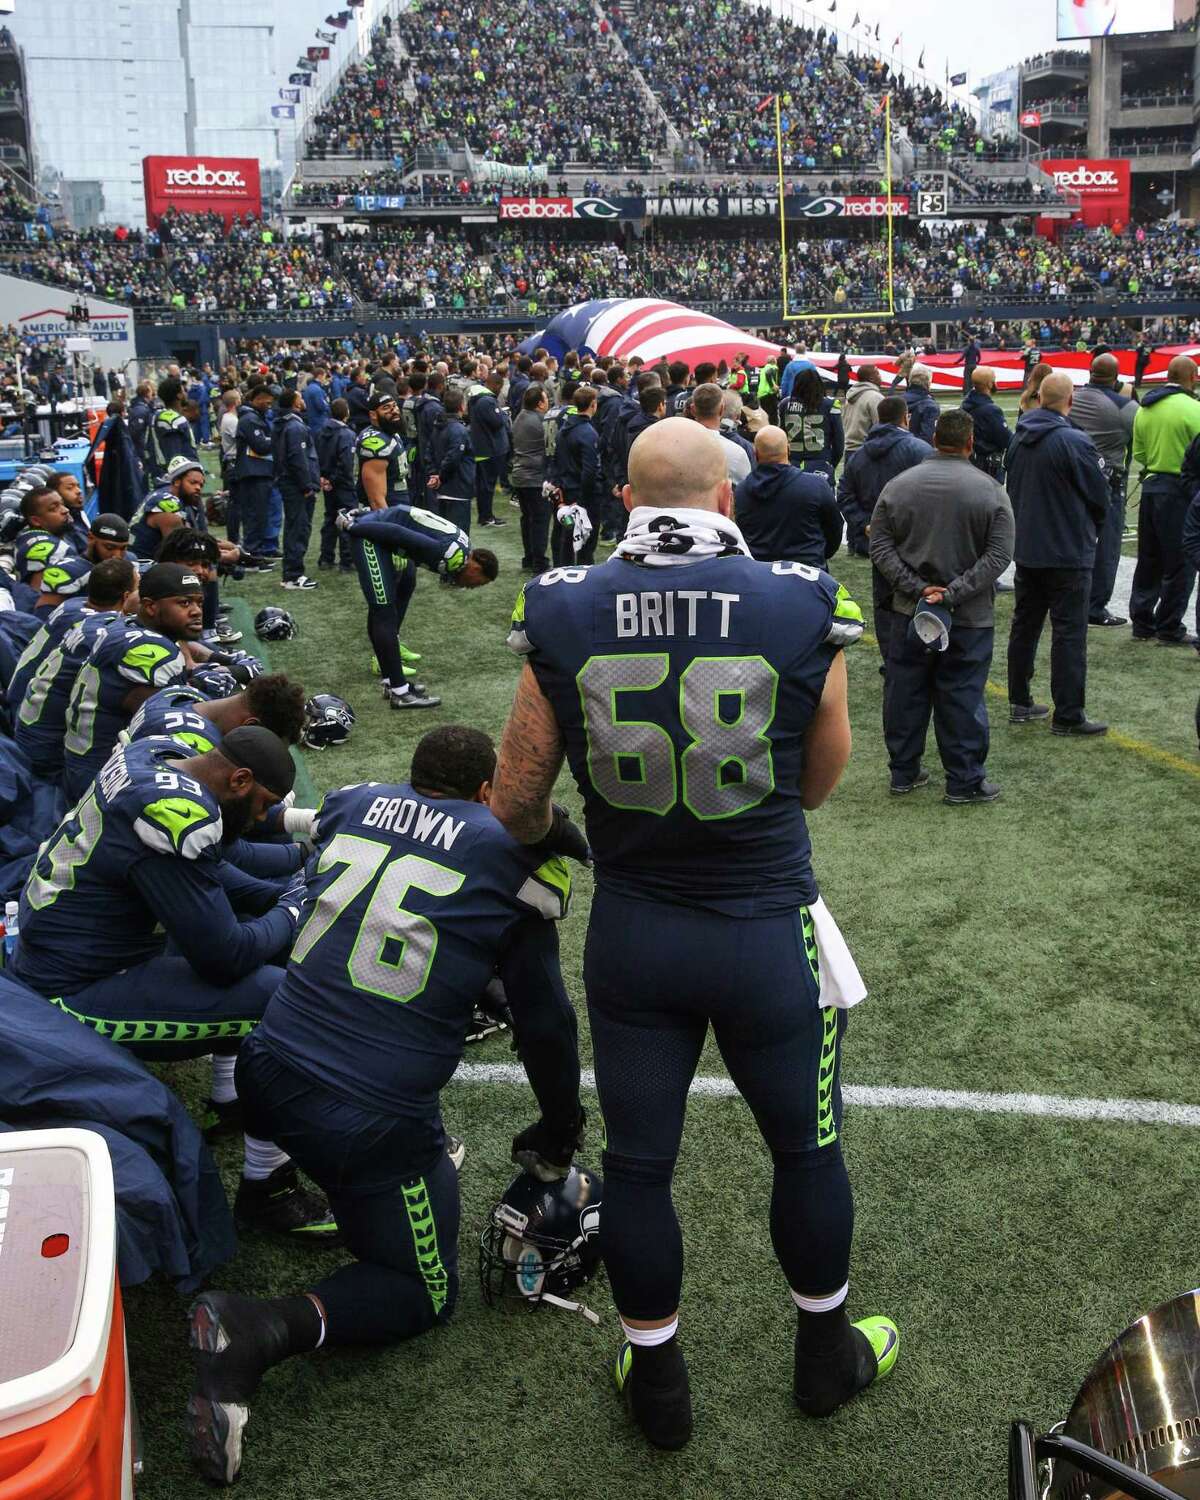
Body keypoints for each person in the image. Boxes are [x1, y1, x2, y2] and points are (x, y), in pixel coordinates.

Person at [491, 416, 895, 1453]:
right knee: (807, 1151)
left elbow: (517, 798)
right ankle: (823, 1359)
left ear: (627, 501)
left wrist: (576, 833)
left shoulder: (563, 603)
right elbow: (815, 782)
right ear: (726, 499)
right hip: (764, 928)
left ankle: (660, 1386)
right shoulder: (805, 602)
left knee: (638, 1168)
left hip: (634, 930)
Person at [184, 724, 587, 1487]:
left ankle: (267, 1184)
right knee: (421, 1291)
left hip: (264, 1071)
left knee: (354, 1112)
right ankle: (259, 1330)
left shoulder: (355, 802)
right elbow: (546, 1021)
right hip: (363, 1119)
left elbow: (282, 823)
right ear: (483, 793)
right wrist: (560, 1122)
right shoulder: (516, 856)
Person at [13, 726, 333, 1244]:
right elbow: (224, 957)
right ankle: (270, 1191)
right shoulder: (173, 813)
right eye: (262, 804)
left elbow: (213, 880)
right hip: (70, 993)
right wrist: (296, 905)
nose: (259, 819)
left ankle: (231, 1100)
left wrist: (288, 889)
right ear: (240, 779)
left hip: (69, 953)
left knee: (268, 944)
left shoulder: (156, 759)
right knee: (277, 998)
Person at [869, 410, 1015, 804]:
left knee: (904, 692)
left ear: (935, 439)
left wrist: (917, 589)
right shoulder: (990, 490)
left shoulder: (898, 487)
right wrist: (953, 592)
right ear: (970, 443)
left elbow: (879, 546)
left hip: (909, 612)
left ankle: (904, 771)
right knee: (962, 696)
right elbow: (1000, 555)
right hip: (968, 616)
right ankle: (964, 781)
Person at [1005, 372, 1111, 737]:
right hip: (1067, 551)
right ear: (1070, 400)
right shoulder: (1074, 442)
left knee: (1025, 626)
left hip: (1029, 548)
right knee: (1068, 633)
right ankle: (1068, 714)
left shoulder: (1019, 438)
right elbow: (1101, 496)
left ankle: (1019, 699)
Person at [60, 562, 204, 800]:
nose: (197, 610)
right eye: (184, 602)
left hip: (83, 761)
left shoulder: (127, 625)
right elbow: (173, 721)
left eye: (198, 602)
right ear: (149, 606)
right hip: (99, 775)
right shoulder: (151, 649)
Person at [339, 501, 498, 710]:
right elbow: (396, 532)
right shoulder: (451, 556)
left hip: (380, 531)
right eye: (477, 583)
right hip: (372, 536)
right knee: (383, 611)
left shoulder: (463, 550)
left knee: (406, 581)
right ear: (476, 567)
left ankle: (390, 680)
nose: (471, 587)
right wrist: (353, 526)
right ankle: (400, 692)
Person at [12, 557, 141, 778]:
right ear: (127, 597)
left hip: (24, 718)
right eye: (140, 588)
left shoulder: (73, 606)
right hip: (43, 750)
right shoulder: (101, 632)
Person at [838, 397, 934, 662]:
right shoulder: (920, 450)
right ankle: (916, 654)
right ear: (905, 418)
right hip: (915, 540)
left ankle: (890, 657)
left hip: (877, 542)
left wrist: (866, 524)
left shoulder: (858, 456)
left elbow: (844, 494)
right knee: (917, 595)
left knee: (884, 603)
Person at [1129, 355, 1200, 646]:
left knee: (1149, 558)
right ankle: (1170, 626)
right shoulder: (1193, 408)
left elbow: (1140, 456)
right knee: (1180, 562)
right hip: (1180, 492)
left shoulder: (1144, 409)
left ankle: (1142, 622)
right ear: (1192, 377)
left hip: (1150, 487)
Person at [1068, 354, 1137, 629]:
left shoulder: (1074, 399)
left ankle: (1071, 599)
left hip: (1073, 480)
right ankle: (1095, 606)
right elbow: (1139, 438)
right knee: (1107, 545)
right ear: (1116, 376)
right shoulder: (1123, 407)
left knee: (1073, 542)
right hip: (1108, 481)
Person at [735, 424, 841, 568]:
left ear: (755, 453)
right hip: (808, 573)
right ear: (788, 449)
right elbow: (834, 530)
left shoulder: (742, 491)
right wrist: (818, 554)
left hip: (760, 575)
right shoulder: (815, 486)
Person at [273, 389, 320, 591]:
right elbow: (297, 458)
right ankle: (293, 575)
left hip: (289, 483)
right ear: (294, 403)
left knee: (295, 528)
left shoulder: (283, 423)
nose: (303, 400)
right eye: (300, 397)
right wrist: (306, 485)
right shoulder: (294, 427)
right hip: (296, 486)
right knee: (298, 529)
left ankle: (292, 573)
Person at [550, 383, 601, 566]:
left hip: (566, 493)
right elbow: (590, 470)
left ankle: (563, 574)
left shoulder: (564, 430)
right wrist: (583, 500)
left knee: (567, 540)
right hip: (582, 497)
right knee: (586, 544)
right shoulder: (588, 433)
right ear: (593, 404)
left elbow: (557, 462)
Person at [234, 384, 277, 569]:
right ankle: (251, 557)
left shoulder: (254, 417)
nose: (269, 404)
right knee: (254, 517)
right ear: (257, 398)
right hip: (254, 474)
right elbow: (261, 445)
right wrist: (277, 438)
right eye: (267, 400)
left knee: (259, 517)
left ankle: (256, 554)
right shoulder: (250, 419)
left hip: (259, 472)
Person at [129, 455, 206, 558]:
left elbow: (191, 537)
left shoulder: (168, 496)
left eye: (201, 485)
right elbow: (181, 550)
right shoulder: (167, 502)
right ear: (177, 481)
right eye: (193, 482)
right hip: (143, 565)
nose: (198, 488)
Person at [780, 368, 845, 483]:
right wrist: (830, 464)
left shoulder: (785, 404)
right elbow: (839, 443)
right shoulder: (830, 405)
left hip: (792, 466)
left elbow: (781, 438)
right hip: (821, 466)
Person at [512, 383, 550, 574]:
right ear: (540, 403)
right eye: (546, 399)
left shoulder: (520, 417)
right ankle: (539, 561)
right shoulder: (540, 422)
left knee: (527, 519)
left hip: (520, 476)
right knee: (540, 521)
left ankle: (529, 557)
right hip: (535, 478)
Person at [316, 397, 356, 572]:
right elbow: (346, 463)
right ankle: (347, 561)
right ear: (346, 412)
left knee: (330, 518)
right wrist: (334, 479)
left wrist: (325, 478)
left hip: (328, 482)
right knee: (346, 519)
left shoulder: (322, 431)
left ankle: (326, 557)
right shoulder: (346, 434)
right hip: (342, 483)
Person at [467, 369, 509, 529]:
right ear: (495, 384)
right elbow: (497, 422)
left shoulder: (477, 399)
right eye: (500, 386)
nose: (500, 390)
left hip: (482, 446)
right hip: (489, 448)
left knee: (484, 485)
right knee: (486, 485)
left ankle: (485, 515)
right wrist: (503, 416)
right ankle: (486, 517)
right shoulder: (487, 401)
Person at [12, 486, 74, 590]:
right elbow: (38, 596)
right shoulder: (48, 548)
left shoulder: (30, 537)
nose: (65, 510)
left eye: (62, 504)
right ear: (36, 521)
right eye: (53, 508)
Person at [356, 390, 408, 510]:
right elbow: (376, 500)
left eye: (394, 406)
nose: (394, 411)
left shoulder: (390, 433)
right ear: (373, 415)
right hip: (385, 513)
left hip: (397, 507)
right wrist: (387, 526)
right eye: (386, 408)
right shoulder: (376, 442)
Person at [691, 383, 751, 485]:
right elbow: (747, 491)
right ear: (722, 409)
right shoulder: (737, 453)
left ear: (692, 409)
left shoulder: (676, 446)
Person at [961, 368, 1013, 480]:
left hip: (970, 463)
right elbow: (1006, 439)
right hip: (987, 468)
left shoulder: (965, 405)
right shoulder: (991, 411)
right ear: (990, 384)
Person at [154, 377, 200, 467]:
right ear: (179, 395)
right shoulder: (173, 420)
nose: (185, 393)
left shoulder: (161, 415)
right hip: (182, 473)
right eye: (183, 391)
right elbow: (174, 457)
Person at [842, 366, 884, 460]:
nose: (880, 376)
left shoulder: (849, 396)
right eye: (878, 373)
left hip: (849, 450)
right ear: (871, 378)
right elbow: (881, 426)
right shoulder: (875, 397)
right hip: (866, 451)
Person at [901, 366, 939, 446]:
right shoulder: (930, 406)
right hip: (919, 452)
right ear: (928, 383)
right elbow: (928, 437)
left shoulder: (895, 401)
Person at [302, 364, 331, 439]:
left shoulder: (308, 388)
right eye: (324, 376)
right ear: (320, 376)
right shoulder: (317, 390)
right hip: (319, 423)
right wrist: (328, 406)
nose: (325, 379)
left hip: (312, 422)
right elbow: (322, 407)